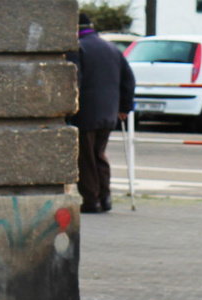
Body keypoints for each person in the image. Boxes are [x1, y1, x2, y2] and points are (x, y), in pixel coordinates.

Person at [68, 13, 136, 213]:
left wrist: (68, 108)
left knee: (86, 158)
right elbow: (128, 79)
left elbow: (74, 80)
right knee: (99, 154)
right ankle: (105, 197)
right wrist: (124, 107)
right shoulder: (112, 48)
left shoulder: (78, 48)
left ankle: (91, 201)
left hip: (85, 112)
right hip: (109, 112)